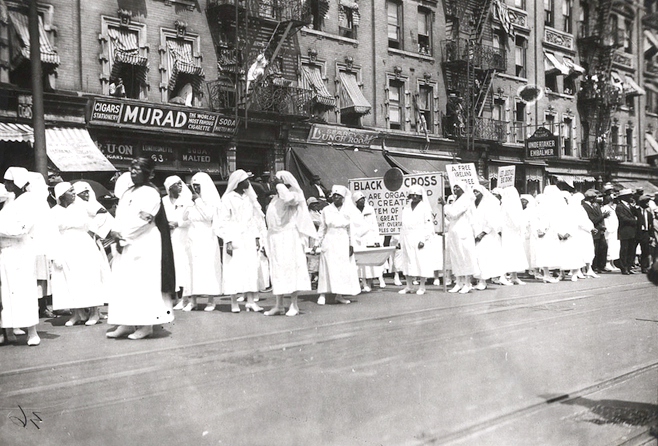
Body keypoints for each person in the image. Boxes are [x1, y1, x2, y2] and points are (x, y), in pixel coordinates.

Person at [105, 159, 175, 340]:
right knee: (124, 283)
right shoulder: (127, 192)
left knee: (143, 283)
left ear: (148, 173)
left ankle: (146, 325)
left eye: (137, 169)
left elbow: (145, 219)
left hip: (143, 243)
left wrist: (124, 235)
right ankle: (126, 323)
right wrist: (115, 231)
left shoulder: (151, 193)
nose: (133, 172)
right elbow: (120, 215)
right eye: (131, 169)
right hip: (124, 243)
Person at [49, 182, 105, 327]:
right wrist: (55, 255)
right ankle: (77, 313)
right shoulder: (54, 211)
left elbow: (102, 212)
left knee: (88, 276)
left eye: (74, 190)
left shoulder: (81, 207)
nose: (74, 193)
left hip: (83, 244)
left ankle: (94, 312)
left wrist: (93, 231)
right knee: (70, 279)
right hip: (65, 246)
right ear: (61, 195)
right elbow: (52, 234)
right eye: (70, 191)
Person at [264, 171, 317, 316]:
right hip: (275, 238)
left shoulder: (295, 194)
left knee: (291, 269)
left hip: (289, 237)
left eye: (277, 181)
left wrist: (280, 185)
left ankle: (294, 305)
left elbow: (289, 199)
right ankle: (279, 305)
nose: (274, 184)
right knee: (278, 270)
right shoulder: (276, 198)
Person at [0, 167, 42, 346]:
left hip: (21, 252)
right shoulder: (12, 201)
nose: (5, 184)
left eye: (8, 181)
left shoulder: (28, 201)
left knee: (24, 291)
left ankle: (32, 332)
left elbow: (21, 229)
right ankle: (10, 330)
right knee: (8, 293)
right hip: (7, 252)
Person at [220, 169, 266, 313]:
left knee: (250, 268)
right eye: (246, 180)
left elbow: (254, 219)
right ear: (239, 182)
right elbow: (223, 220)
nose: (248, 183)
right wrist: (227, 240)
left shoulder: (249, 198)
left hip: (249, 236)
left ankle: (251, 301)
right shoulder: (227, 199)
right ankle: (234, 302)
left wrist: (257, 237)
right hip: (234, 236)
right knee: (233, 268)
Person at [314, 185, 361, 304]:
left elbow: (352, 229)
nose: (335, 197)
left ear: (343, 198)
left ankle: (339, 295)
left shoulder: (348, 210)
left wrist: (351, 245)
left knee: (342, 268)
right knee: (327, 266)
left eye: (338, 196)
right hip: (330, 239)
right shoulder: (326, 210)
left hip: (343, 240)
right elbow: (322, 228)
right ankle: (323, 294)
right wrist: (316, 243)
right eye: (334, 195)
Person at [185, 172, 223, 311]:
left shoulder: (211, 201)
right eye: (193, 186)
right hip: (192, 238)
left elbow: (209, 216)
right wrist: (189, 202)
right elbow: (184, 217)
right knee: (192, 269)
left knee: (208, 268)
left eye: (198, 186)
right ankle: (192, 300)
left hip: (207, 238)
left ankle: (211, 300)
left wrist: (198, 200)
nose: (195, 189)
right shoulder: (193, 201)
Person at [163, 176, 193, 310]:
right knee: (171, 266)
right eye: (176, 184)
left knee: (182, 267)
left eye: (181, 184)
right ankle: (174, 296)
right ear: (170, 187)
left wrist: (178, 223)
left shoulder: (187, 202)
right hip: (168, 237)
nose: (180, 186)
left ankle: (184, 298)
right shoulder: (163, 201)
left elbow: (191, 221)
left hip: (182, 237)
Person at [398, 185, 435, 295]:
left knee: (420, 261)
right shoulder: (406, 207)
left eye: (417, 195)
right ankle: (409, 286)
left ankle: (422, 286)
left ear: (420, 196)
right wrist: (401, 240)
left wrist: (424, 239)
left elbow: (428, 224)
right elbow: (403, 225)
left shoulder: (424, 208)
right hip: (407, 237)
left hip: (419, 237)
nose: (414, 197)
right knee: (407, 261)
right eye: (412, 195)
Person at [443, 181, 479, 294]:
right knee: (456, 257)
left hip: (464, 232)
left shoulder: (466, 200)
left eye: (457, 187)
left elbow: (454, 214)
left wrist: (445, 205)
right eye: (454, 187)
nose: (455, 189)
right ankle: (458, 282)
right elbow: (450, 217)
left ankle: (467, 283)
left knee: (465, 257)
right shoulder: (455, 201)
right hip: (454, 232)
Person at [472, 184, 507, 290]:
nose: (474, 194)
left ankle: (483, 281)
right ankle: (479, 280)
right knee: (477, 258)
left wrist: (483, 233)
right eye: (473, 191)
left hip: (486, 236)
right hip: (475, 235)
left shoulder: (488, 205)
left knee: (483, 257)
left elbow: (492, 222)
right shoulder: (473, 205)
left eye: (476, 192)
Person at [353, 191, 386, 292]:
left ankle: (370, 282)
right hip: (358, 239)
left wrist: (377, 239)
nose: (362, 201)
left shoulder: (370, 209)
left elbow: (374, 225)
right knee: (361, 263)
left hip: (370, 237)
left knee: (370, 261)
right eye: (360, 199)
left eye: (363, 198)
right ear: (356, 201)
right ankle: (363, 283)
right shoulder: (353, 211)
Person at [500, 187, 529, 285]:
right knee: (507, 253)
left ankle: (514, 276)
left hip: (513, 233)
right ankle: (503, 276)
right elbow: (515, 221)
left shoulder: (512, 205)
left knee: (515, 253)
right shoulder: (507, 205)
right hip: (509, 232)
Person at [582, 189, 608, 273]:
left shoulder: (595, 205)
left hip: (599, 230)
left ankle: (601, 265)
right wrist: (603, 216)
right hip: (594, 230)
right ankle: (594, 266)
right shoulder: (585, 206)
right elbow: (592, 219)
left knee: (603, 247)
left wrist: (602, 225)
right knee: (595, 249)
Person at [616, 189, 638, 275]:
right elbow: (623, 218)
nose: (631, 197)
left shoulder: (630, 206)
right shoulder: (620, 207)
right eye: (629, 196)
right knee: (624, 250)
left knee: (631, 250)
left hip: (632, 231)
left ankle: (629, 266)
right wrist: (634, 221)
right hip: (625, 231)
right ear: (624, 197)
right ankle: (624, 267)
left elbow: (636, 215)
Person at [602, 192, 621, 272]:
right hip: (609, 231)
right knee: (609, 247)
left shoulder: (612, 208)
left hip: (614, 231)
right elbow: (605, 220)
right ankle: (607, 263)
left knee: (614, 247)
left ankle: (612, 263)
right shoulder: (605, 208)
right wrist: (608, 229)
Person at [636, 195, 655, 273]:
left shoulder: (649, 214)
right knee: (633, 249)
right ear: (641, 203)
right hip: (637, 232)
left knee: (645, 250)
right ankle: (629, 266)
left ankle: (644, 267)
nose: (647, 204)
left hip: (645, 233)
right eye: (646, 202)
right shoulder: (635, 211)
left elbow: (651, 226)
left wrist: (651, 235)